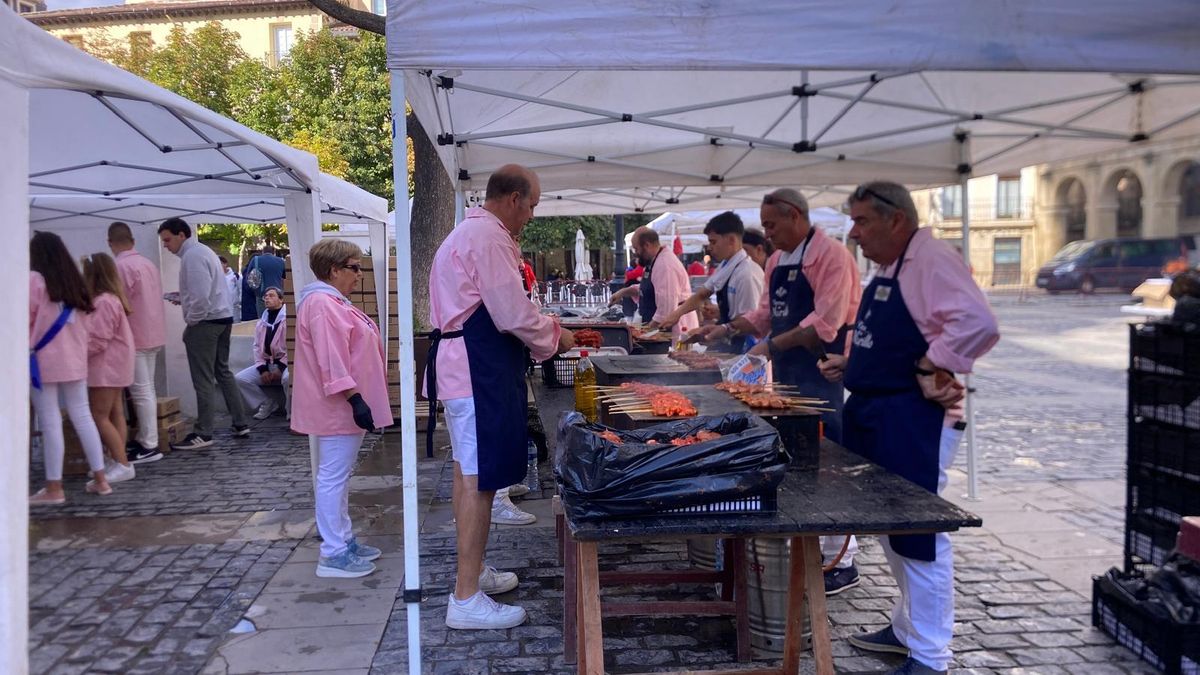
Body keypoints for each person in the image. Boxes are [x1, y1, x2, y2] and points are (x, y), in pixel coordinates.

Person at [820, 182, 999, 675]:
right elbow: (897, 333)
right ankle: (906, 629)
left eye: (862, 221)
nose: (855, 233)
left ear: (896, 219)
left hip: (913, 418)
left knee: (919, 533)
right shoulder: (892, 265)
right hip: (877, 412)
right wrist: (853, 363)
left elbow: (979, 322)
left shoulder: (931, 258)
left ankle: (931, 656)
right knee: (891, 529)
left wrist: (930, 363)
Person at [426, 164, 573, 630]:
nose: (531, 215)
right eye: (532, 206)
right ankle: (465, 597)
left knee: (467, 473)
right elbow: (512, 314)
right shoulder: (488, 238)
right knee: (478, 480)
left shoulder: (469, 235)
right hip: (475, 371)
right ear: (513, 199)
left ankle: (472, 573)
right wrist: (555, 337)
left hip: (466, 370)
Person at [696, 189, 863, 593]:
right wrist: (727, 328)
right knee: (796, 462)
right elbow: (765, 314)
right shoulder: (776, 260)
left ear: (795, 215)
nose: (767, 234)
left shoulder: (832, 256)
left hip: (822, 371)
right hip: (788, 373)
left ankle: (842, 560)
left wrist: (768, 347)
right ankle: (806, 548)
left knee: (826, 464)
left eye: (772, 225)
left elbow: (824, 322)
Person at [291, 239, 393, 578]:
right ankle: (332, 553)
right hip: (338, 407)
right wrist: (354, 398)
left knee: (338, 476)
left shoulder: (331, 302)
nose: (359, 274)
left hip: (343, 405)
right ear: (334, 270)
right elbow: (331, 359)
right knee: (333, 477)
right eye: (354, 267)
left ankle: (343, 540)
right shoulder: (322, 304)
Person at [29, 232, 111, 504]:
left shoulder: (34, 281)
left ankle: (54, 488)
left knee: (50, 420)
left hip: (42, 362)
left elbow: (23, 320)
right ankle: (101, 479)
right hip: (75, 360)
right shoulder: (77, 284)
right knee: (83, 416)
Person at [157, 217, 250, 449]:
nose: (165, 245)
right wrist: (185, 299)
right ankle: (240, 422)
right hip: (221, 318)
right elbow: (205, 291)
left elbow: (201, 296)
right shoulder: (202, 252)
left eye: (167, 240)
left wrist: (192, 319)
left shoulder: (193, 256)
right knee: (222, 372)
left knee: (204, 378)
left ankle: (204, 432)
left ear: (181, 235)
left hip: (207, 322)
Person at [655, 212, 764, 353]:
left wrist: (718, 329)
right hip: (729, 344)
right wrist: (676, 315)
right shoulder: (726, 265)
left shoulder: (746, 274)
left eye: (713, 242)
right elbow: (702, 294)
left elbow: (750, 323)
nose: (709, 248)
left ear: (731, 240)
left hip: (746, 348)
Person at [108, 222, 166, 464]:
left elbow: (117, 303)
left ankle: (149, 443)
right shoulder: (147, 263)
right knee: (147, 389)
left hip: (135, 335)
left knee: (141, 391)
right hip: (154, 331)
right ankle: (146, 438)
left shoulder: (120, 266)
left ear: (111, 243)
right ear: (132, 240)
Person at [82, 253, 138, 485]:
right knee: (115, 414)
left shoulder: (103, 301)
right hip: (115, 365)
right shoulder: (112, 299)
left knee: (99, 415)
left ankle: (122, 462)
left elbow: (97, 339)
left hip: (106, 366)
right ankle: (118, 459)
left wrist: (76, 352)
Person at [609, 227, 698, 336]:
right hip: (659, 330)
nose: (635, 253)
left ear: (647, 245)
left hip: (674, 332)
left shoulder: (664, 265)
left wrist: (643, 334)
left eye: (636, 249)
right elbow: (649, 289)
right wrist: (623, 292)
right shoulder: (655, 260)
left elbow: (666, 311)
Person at [234, 286, 290, 421]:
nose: (267, 298)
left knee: (288, 379)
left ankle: (291, 410)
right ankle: (266, 403)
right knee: (240, 379)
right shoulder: (262, 323)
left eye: (271, 295)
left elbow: (292, 346)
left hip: (285, 364)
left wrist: (280, 368)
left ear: (281, 299)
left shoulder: (287, 320)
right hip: (267, 364)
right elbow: (257, 348)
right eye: (265, 296)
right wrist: (263, 369)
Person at [248, 247, 286, 315]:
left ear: (262, 252)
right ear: (274, 252)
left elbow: (248, 277)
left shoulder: (255, 260)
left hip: (261, 294)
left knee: (263, 318)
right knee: (277, 317)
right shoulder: (280, 261)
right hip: (277, 294)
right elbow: (285, 277)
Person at [219, 256, 241, 320]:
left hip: (234, 307)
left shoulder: (235, 276)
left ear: (225, 264)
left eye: (220, 263)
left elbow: (240, 289)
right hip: (223, 308)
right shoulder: (217, 277)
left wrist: (239, 301)